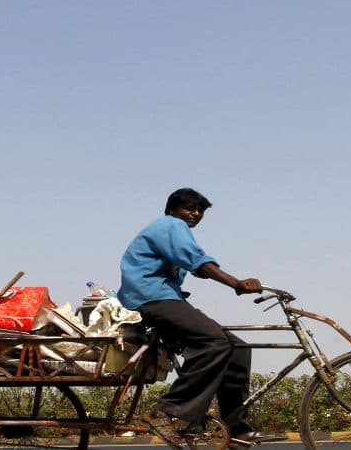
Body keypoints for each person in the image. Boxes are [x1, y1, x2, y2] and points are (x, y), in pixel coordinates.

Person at [118, 188, 279, 449]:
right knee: (216, 341)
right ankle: (167, 412)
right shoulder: (170, 225)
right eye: (189, 209)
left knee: (238, 348)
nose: (195, 214)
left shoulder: (174, 231)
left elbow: (198, 267)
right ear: (172, 209)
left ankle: (236, 429)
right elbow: (199, 262)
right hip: (151, 299)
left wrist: (216, 274)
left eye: (200, 211)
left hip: (167, 298)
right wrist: (236, 283)